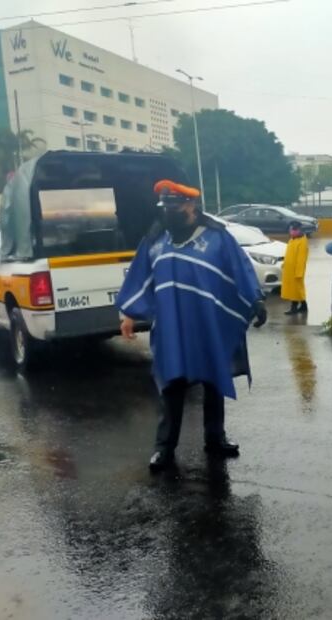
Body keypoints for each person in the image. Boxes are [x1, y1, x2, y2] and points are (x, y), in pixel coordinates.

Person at [117, 180, 268, 472]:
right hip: (170, 327)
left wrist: (256, 300)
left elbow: (239, 268)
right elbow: (140, 277)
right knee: (171, 385)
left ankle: (215, 438)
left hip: (207, 324)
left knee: (213, 381)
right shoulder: (155, 238)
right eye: (165, 206)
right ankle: (164, 448)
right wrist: (129, 314)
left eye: (174, 205)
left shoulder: (217, 237)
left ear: (190, 205)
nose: (168, 211)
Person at [282, 221, 309, 315]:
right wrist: (285, 264)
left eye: (294, 230)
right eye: (291, 230)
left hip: (296, 271)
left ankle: (293, 308)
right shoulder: (292, 240)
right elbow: (288, 254)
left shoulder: (302, 242)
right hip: (289, 270)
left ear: (299, 230)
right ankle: (304, 306)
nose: (292, 232)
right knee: (297, 290)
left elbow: (301, 259)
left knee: (295, 290)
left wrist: (299, 272)